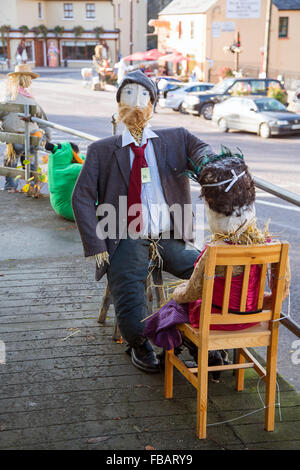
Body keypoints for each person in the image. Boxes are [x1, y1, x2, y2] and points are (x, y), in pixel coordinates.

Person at [71, 70, 216, 373]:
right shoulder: (101, 150)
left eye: (143, 96)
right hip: (124, 236)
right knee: (130, 289)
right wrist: (96, 244)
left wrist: (211, 165)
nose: (136, 103)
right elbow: (81, 197)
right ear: (118, 103)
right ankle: (139, 343)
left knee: (209, 272)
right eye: (128, 95)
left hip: (168, 235)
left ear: (153, 103)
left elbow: (202, 151)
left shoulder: (176, 138)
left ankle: (194, 335)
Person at [144, 149, 291, 361]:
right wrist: (260, 302)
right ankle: (207, 353)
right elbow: (282, 291)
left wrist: (176, 293)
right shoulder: (272, 245)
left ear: (213, 211)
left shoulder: (214, 251)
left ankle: (181, 349)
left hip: (215, 319)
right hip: (251, 318)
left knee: (172, 307)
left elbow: (192, 292)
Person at [0, 64, 51, 192]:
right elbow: (44, 121)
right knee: (31, 165)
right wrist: (47, 139)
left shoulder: (6, 99)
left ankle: (10, 187)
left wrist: (3, 134)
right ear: (27, 80)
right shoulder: (32, 101)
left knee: (10, 161)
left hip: (13, 141)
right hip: (31, 140)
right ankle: (33, 188)